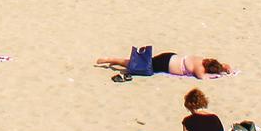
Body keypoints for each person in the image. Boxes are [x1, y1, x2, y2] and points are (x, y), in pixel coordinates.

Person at [94, 51, 229, 78]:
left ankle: (113, 60)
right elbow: (202, 77)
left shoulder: (202, 59)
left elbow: (224, 65)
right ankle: (111, 59)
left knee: (142, 63)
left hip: (169, 57)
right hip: (165, 63)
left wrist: (224, 68)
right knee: (138, 65)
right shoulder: (200, 68)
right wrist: (217, 75)